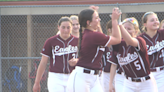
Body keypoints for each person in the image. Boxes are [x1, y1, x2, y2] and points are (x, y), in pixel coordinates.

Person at [66, 7, 122, 92]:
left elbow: (100, 34)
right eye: (96, 18)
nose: (99, 20)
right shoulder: (93, 36)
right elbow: (117, 39)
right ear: (88, 22)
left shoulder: (91, 34)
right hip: (82, 77)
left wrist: (93, 14)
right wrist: (114, 20)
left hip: (94, 78)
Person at [109, 17, 158, 92]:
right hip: (129, 83)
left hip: (146, 83)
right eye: (125, 28)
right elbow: (113, 38)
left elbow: (130, 40)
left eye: (129, 29)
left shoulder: (140, 41)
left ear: (136, 31)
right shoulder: (119, 45)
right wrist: (114, 19)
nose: (126, 31)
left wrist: (120, 25)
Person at [33, 16, 78, 92]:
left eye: (68, 27)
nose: (66, 30)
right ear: (58, 27)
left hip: (73, 76)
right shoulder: (50, 41)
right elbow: (43, 63)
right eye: (63, 27)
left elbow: (85, 59)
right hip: (56, 77)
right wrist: (37, 82)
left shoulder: (78, 41)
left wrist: (77, 60)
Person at [140, 11, 164, 92]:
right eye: (152, 20)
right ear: (145, 24)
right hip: (148, 74)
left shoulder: (162, 34)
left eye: (156, 19)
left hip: (162, 72)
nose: (155, 22)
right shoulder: (140, 39)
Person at [100, 20, 114, 92]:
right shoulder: (106, 41)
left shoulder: (121, 41)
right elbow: (100, 33)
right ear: (109, 29)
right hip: (107, 73)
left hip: (118, 73)